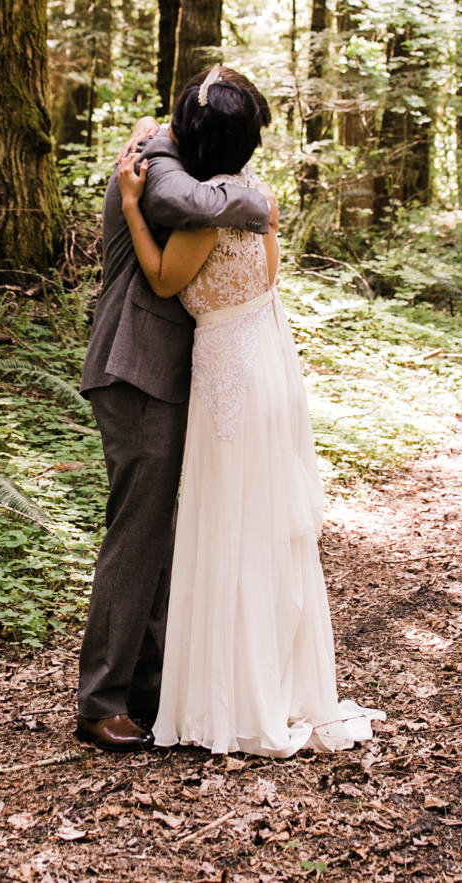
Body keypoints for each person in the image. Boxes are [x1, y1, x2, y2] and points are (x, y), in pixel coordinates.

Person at [115, 66, 376, 757]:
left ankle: (234, 696)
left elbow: (167, 278)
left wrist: (135, 205)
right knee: (262, 530)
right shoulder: (257, 197)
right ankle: (275, 682)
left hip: (229, 372)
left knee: (230, 528)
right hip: (265, 360)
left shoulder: (213, 212)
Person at [73, 99, 272, 751]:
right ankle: (101, 700)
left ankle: (147, 692)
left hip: (159, 373)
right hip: (137, 368)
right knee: (138, 537)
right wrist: (249, 201)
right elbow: (195, 208)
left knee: (157, 535)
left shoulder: (171, 157)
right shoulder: (158, 160)